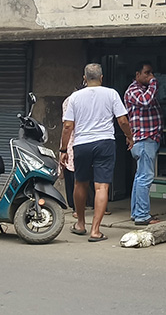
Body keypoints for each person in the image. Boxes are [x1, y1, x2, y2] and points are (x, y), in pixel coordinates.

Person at [60, 63, 133, 242]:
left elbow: (68, 125)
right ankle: (95, 230)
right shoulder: (111, 94)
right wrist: (129, 136)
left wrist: (63, 149)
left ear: (84, 78)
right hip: (105, 142)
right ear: (101, 78)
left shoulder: (75, 97)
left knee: (80, 183)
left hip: (82, 143)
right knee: (102, 186)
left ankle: (80, 224)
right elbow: (123, 121)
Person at [124, 61, 163, 227]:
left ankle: (136, 212)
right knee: (145, 178)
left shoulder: (144, 90)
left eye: (152, 73)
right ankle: (142, 215)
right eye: (147, 73)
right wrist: (154, 83)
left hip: (147, 138)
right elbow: (145, 101)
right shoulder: (133, 91)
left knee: (140, 177)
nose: (150, 76)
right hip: (143, 139)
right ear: (137, 74)